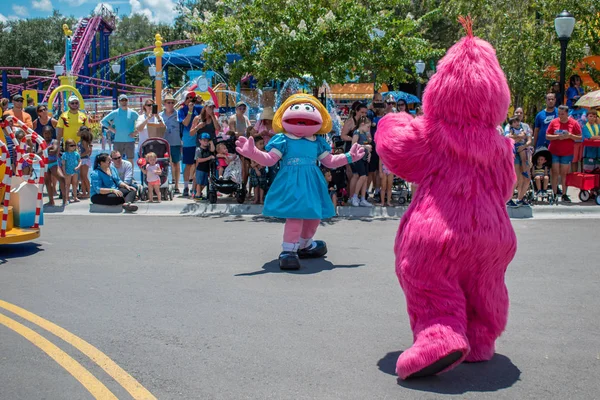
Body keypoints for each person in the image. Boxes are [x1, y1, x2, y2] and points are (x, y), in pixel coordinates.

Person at [546, 105, 582, 203]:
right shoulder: (554, 122)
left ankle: (564, 194)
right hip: (554, 151)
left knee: (564, 173)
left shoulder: (574, 123)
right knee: (555, 172)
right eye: (559, 114)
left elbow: (579, 137)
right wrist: (557, 137)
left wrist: (570, 136)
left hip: (567, 152)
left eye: (562, 114)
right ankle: (554, 193)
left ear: (567, 113)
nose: (560, 116)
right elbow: (547, 136)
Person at [340, 101, 368, 199]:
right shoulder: (350, 122)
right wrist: (354, 139)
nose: (363, 114)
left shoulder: (364, 122)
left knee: (359, 174)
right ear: (356, 111)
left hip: (361, 149)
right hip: (351, 148)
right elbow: (343, 136)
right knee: (354, 174)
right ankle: (351, 196)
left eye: (365, 113)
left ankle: (357, 195)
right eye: (362, 112)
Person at [100, 94, 138, 163]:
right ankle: (117, 174)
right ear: (119, 102)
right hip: (118, 141)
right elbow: (103, 121)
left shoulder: (133, 113)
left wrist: (136, 132)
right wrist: (111, 129)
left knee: (130, 160)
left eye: (125, 100)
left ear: (127, 101)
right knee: (116, 160)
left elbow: (141, 122)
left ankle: (130, 174)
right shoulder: (115, 112)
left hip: (130, 141)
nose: (124, 102)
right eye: (122, 100)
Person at [178, 91, 202, 197]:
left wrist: (201, 101)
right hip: (188, 140)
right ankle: (186, 187)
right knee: (188, 164)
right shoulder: (181, 111)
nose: (190, 100)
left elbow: (208, 112)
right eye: (187, 98)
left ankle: (195, 187)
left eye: (191, 98)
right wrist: (190, 111)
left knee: (197, 164)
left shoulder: (199, 108)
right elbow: (186, 123)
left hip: (198, 140)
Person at [160, 94, 182, 194]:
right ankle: (163, 183)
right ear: (164, 103)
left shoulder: (178, 114)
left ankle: (176, 185)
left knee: (176, 163)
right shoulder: (159, 115)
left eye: (172, 102)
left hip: (175, 142)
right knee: (162, 164)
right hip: (163, 143)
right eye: (168, 102)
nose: (170, 104)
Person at [41, 125, 67, 207]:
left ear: (51, 134)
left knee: (62, 178)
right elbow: (38, 153)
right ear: (43, 134)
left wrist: (45, 150)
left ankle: (65, 199)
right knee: (48, 182)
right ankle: (51, 201)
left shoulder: (54, 141)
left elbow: (54, 151)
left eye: (49, 133)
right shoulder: (42, 142)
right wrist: (48, 149)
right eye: (45, 133)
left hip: (53, 163)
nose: (47, 135)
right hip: (45, 164)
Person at [350, 116, 373, 207]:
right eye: (368, 127)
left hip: (365, 157)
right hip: (358, 158)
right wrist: (365, 147)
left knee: (366, 178)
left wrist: (369, 153)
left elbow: (367, 145)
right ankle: (355, 197)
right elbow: (353, 145)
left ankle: (363, 198)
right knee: (362, 176)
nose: (368, 129)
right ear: (362, 124)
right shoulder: (357, 132)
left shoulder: (364, 133)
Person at [194, 133, 215, 200]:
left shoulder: (208, 149)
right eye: (204, 140)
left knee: (205, 183)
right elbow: (199, 160)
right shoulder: (199, 150)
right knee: (199, 183)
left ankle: (198, 192)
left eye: (207, 140)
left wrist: (211, 143)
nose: (206, 142)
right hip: (200, 169)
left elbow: (213, 150)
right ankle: (197, 194)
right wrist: (209, 158)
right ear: (200, 141)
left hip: (206, 169)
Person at [61, 138, 82, 203]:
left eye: (74, 145)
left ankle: (75, 197)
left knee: (75, 184)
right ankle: (67, 198)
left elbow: (80, 161)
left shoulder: (76, 154)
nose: (73, 147)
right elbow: (63, 164)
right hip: (68, 171)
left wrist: (78, 167)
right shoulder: (65, 154)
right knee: (67, 185)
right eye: (71, 145)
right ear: (67, 146)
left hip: (75, 171)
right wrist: (64, 172)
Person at [249, 136, 267, 204]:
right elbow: (252, 163)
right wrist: (256, 169)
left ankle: (261, 199)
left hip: (262, 170)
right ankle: (256, 198)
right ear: (255, 145)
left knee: (262, 185)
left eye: (263, 143)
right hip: (255, 171)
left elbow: (263, 161)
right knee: (256, 185)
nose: (262, 145)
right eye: (260, 143)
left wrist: (256, 163)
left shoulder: (264, 152)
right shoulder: (252, 153)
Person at [78, 126, 93, 199]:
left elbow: (87, 151)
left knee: (84, 176)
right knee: (82, 177)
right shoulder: (82, 140)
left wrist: (79, 156)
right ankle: (84, 192)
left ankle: (89, 192)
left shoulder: (84, 141)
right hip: (83, 159)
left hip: (84, 160)